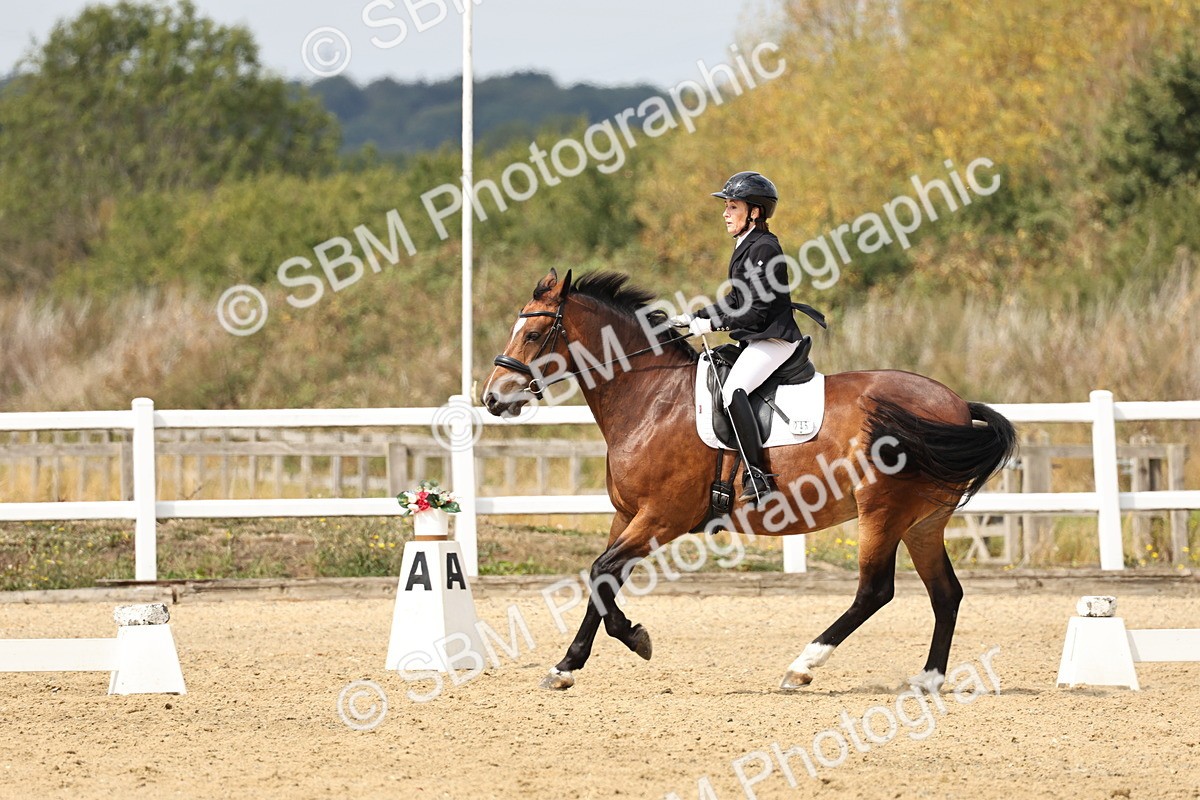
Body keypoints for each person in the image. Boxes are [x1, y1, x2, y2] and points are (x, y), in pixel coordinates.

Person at [670, 171, 823, 505]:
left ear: (754, 212)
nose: (725, 213)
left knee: (732, 390)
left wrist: (709, 326)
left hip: (774, 339)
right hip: (758, 338)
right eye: (726, 206)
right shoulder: (748, 245)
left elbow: (753, 313)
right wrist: (696, 317)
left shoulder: (765, 248)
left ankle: (758, 476)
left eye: (733, 206)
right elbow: (735, 301)